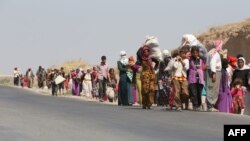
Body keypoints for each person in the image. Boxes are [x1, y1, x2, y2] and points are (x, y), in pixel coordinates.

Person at [206, 40, 223, 112]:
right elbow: (213, 63)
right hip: (214, 71)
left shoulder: (210, 52)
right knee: (213, 88)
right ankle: (211, 105)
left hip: (210, 71)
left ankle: (210, 105)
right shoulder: (215, 53)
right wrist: (214, 73)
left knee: (210, 87)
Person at [188, 46, 205, 111]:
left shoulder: (201, 60)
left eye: (196, 53)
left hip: (200, 78)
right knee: (193, 92)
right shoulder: (190, 60)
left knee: (199, 92)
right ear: (192, 53)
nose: (195, 54)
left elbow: (202, 67)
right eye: (193, 53)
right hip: (192, 78)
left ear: (198, 53)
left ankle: (199, 104)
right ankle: (195, 105)